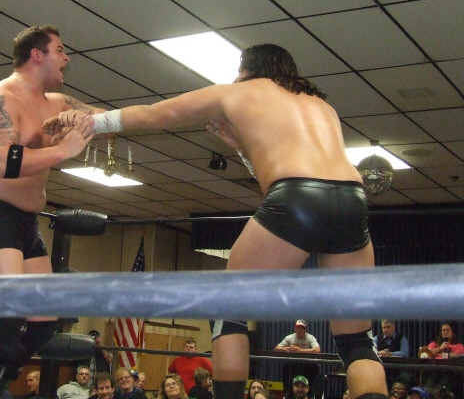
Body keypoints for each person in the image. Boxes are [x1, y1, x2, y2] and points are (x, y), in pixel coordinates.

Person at [43, 43, 389, 399]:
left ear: (247, 69)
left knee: (229, 311)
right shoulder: (321, 105)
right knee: (355, 339)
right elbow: (285, 171)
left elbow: (153, 114)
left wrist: (89, 120)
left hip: (297, 196)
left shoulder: (235, 92)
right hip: (352, 201)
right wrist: (240, 146)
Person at [0, 25, 101, 399]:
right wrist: (63, 150)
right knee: (8, 323)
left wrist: (182, 112)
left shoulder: (59, 103)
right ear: (37, 54)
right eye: (60, 49)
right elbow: (1, 162)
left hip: (25, 223)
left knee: (42, 324)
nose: (67, 58)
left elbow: (105, 119)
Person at [274, 320, 320, 396]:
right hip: (293, 364)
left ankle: (310, 394)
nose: (299, 330)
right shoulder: (289, 338)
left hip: (307, 364)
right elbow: (277, 348)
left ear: (305, 329)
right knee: (286, 366)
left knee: (314, 367)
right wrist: (287, 348)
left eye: (302, 328)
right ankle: (288, 393)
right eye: (298, 328)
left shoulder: (310, 337)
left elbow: (317, 349)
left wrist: (300, 350)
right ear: (295, 328)